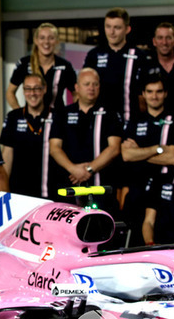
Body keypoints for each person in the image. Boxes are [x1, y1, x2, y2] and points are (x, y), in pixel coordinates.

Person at [49, 68, 122, 213]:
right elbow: (54, 148)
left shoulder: (110, 114)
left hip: (101, 188)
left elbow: (114, 148)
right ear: (77, 87)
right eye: (87, 84)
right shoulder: (63, 113)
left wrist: (89, 169)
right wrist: (73, 169)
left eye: (95, 84)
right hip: (70, 187)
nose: (91, 88)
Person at [120, 75, 174, 243]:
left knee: (161, 237)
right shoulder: (135, 121)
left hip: (166, 188)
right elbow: (126, 155)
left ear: (166, 93)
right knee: (132, 239)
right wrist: (158, 149)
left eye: (159, 92)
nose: (154, 96)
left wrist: (139, 152)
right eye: (150, 92)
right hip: (138, 188)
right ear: (143, 94)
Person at [84, 7, 155, 122]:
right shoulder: (94, 55)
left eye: (117, 27)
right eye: (108, 27)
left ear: (127, 29)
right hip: (100, 121)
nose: (111, 32)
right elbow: (84, 90)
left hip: (130, 121)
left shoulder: (139, 56)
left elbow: (145, 95)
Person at [0, 74, 53, 198]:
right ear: (23, 91)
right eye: (28, 89)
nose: (32, 93)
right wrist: (4, 193)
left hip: (50, 191)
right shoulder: (14, 116)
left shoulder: (57, 116)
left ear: (44, 89)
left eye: (37, 88)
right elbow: (7, 155)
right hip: (20, 192)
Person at [6, 22, 76, 111]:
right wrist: (20, 115)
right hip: (33, 120)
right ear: (36, 40)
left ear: (57, 41)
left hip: (58, 121)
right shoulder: (24, 63)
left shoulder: (65, 66)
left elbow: (76, 93)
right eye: (42, 38)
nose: (46, 42)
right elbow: (10, 92)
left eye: (51, 38)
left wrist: (71, 115)